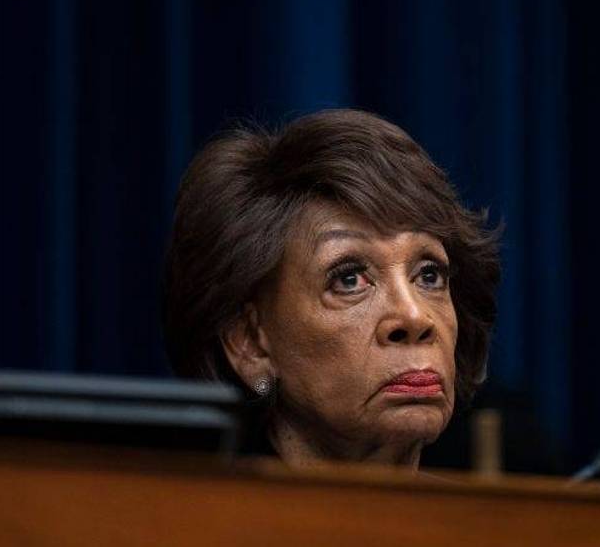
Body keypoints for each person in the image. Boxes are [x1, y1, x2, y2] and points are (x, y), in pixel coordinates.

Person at [162, 109, 500, 470]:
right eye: (349, 279)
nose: (414, 316)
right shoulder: (180, 526)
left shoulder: (510, 525)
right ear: (249, 342)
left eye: (429, 276)